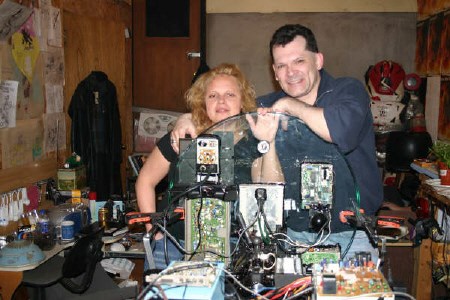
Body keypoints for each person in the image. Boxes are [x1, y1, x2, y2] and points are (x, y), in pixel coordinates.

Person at [170, 24, 383, 262]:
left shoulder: (348, 91)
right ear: (275, 72)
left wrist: (292, 106)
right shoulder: (268, 104)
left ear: (318, 60)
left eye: (299, 61)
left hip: (351, 235)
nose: (290, 72)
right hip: (292, 237)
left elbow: (340, 131)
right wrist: (186, 118)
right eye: (282, 65)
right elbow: (227, 117)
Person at [136, 63, 283, 270]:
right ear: (203, 102)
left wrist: (268, 142)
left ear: (242, 101)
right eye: (213, 95)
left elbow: (270, 190)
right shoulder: (184, 136)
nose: (221, 101)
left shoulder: (253, 141)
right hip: (172, 246)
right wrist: (154, 233)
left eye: (230, 94)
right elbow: (145, 180)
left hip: (233, 248)